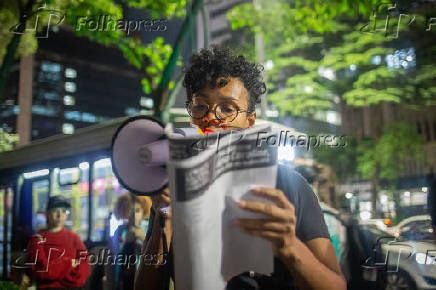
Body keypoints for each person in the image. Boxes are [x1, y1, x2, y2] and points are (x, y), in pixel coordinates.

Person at [134, 45, 346, 290]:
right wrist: (165, 220)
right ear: (191, 115)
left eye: (228, 108)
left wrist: (289, 246)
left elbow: (337, 285)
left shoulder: (289, 185)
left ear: (250, 121)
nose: (213, 117)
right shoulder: (173, 187)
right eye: (201, 106)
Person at [24, 196, 91, 289]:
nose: (60, 215)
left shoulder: (74, 238)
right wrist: (68, 264)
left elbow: (84, 270)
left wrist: (55, 275)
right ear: (47, 214)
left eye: (64, 211)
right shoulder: (37, 240)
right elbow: (42, 272)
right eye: (55, 211)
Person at [109, 192, 151, 290]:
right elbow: (113, 256)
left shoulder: (149, 229)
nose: (134, 215)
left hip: (143, 278)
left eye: (137, 210)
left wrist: (142, 236)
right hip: (123, 278)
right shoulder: (119, 231)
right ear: (124, 212)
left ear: (143, 211)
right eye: (130, 211)